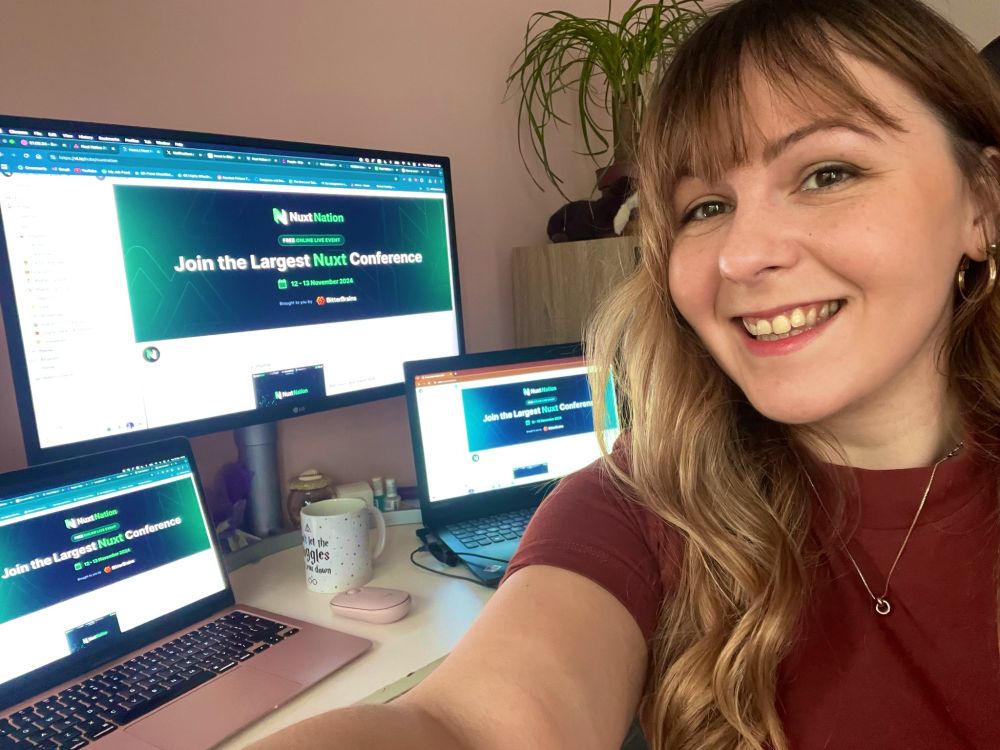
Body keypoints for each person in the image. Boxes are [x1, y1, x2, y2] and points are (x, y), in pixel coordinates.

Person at [248, 0, 1000, 748]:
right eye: (705, 207)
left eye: (827, 173)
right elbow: (462, 727)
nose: (741, 256)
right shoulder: (641, 509)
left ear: (983, 203)